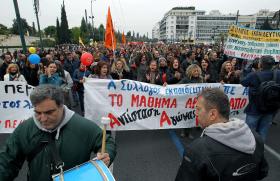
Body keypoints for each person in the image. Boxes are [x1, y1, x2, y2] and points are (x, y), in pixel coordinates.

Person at [0, 85, 116, 181]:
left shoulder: (83, 126)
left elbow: (106, 141)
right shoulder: (25, 129)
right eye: (38, 113)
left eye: (49, 112)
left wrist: (106, 153)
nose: (43, 119)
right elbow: (6, 162)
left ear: (61, 106)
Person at [175, 88, 268, 181]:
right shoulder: (255, 137)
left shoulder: (196, 151)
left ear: (212, 114)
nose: (195, 113)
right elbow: (262, 172)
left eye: (198, 109)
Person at [241, 55, 280, 140]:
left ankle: (250, 150)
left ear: (260, 64)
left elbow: (243, 82)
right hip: (270, 109)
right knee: (263, 132)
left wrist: (248, 68)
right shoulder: (278, 74)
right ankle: (260, 150)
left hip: (254, 109)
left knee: (250, 133)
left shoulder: (254, 75)